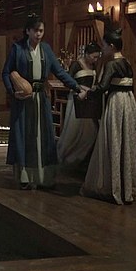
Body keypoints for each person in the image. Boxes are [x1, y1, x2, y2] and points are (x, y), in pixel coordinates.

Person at [2, 16, 85, 190]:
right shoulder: (18, 48)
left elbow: (59, 72)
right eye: (35, 30)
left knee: (42, 136)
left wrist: (77, 87)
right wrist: (12, 92)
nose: (39, 34)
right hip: (24, 100)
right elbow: (6, 72)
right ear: (28, 31)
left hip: (41, 99)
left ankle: (43, 178)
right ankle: (24, 177)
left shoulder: (46, 49)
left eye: (41, 31)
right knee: (25, 136)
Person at [79, 29, 136, 205]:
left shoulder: (111, 64)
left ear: (112, 46)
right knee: (126, 143)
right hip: (129, 102)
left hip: (116, 103)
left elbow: (102, 87)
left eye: (104, 46)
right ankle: (126, 187)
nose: (102, 49)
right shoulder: (127, 62)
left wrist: (87, 93)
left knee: (114, 141)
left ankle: (113, 187)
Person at [57, 42, 103, 175]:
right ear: (87, 54)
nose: (95, 60)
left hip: (89, 100)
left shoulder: (93, 66)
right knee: (74, 131)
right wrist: (81, 88)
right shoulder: (76, 65)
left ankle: (82, 159)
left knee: (91, 132)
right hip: (77, 99)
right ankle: (67, 158)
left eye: (97, 57)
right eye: (93, 57)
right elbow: (68, 82)